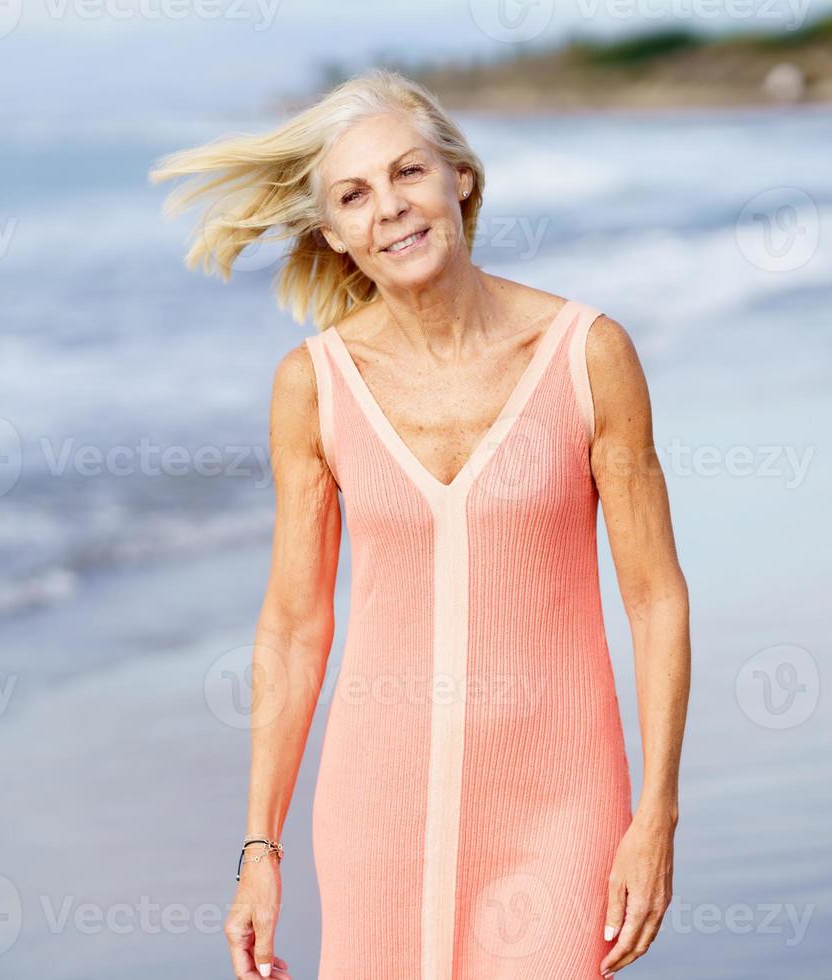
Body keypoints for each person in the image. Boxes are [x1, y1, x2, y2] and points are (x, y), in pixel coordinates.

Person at [150, 68, 691, 980]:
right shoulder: (312, 387)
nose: (390, 209)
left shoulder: (587, 355)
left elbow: (655, 597)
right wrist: (259, 849)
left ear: (460, 179)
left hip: (559, 804)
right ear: (334, 234)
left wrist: (656, 817)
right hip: (377, 812)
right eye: (355, 196)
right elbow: (293, 625)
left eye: (409, 173)